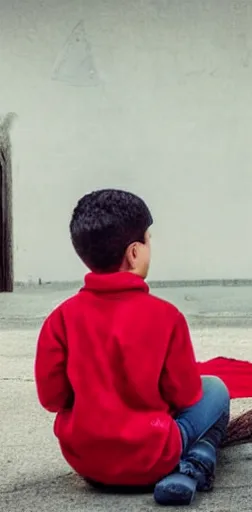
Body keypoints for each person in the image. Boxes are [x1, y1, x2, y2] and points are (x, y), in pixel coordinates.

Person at [34, 188, 230, 506]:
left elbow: (52, 399)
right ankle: (193, 466)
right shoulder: (167, 317)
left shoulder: (60, 319)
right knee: (215, 390)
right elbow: (185, 395)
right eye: (149, 239)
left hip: (87, 461)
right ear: (135, 252)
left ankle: (188, 467)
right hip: (152, 456)